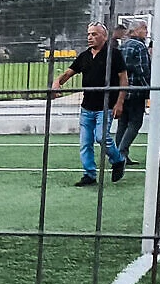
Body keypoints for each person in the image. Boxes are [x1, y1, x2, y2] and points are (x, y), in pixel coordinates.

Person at [51, 21, 128, 186]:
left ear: (104, 36)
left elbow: (124, 80)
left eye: (94, 34)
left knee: (101, 137)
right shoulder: (84, 56)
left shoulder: (114, 54)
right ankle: (89, 174)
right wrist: (57, 82)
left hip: (106, 105)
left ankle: (118, 160)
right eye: (89, 34)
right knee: (85, 142)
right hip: (87, 106)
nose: (90, 37)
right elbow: (69, 73)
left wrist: (119, 102)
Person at [110, 19, 152, 165]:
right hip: (136, 90)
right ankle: (121, 152)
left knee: (123, 122)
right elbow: (143, 70)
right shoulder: (139, 46)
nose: (146, 31)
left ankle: (119, 154)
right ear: (135, 30)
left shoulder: (123, 46)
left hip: (122, 90)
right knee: (135, 122)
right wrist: (148, 89)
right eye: (144, 28)